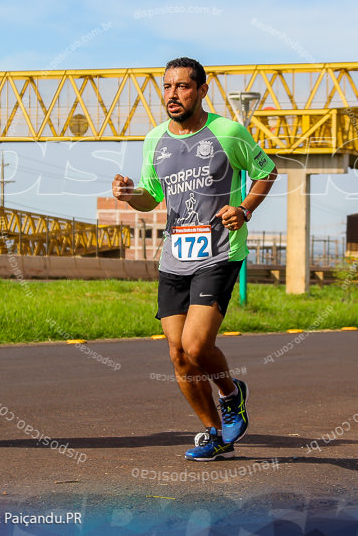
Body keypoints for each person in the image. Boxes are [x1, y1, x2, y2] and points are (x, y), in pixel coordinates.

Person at [112, 57, 277, 461]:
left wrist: (246, 209)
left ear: (202, 90)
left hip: (219, 251)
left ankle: (231, 394)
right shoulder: (155, 140)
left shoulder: (227, 132)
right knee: (178, 354)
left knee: (197, 345)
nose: (173, 94)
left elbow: (266, 171)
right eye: (167, 87)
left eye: (183, 86)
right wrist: (128, 193)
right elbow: (150, 198)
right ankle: (215, 432)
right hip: (175, 257)